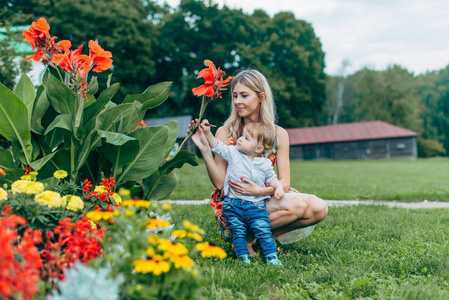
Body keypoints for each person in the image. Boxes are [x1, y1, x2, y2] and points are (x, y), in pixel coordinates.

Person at [189, 68, 328, 256]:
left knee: (320, 209)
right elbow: (220, 184)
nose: (238, 101)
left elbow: (284, 183)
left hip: (264, 198)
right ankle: (243, 240)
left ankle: (261, 239)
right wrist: (206, 149)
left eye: (244, 95)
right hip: (235, 204)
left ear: (261, 96)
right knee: (297, 205)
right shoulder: (226, 132)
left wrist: (260, 191)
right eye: (235, 96)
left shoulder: (279, 134)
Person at [197, 120, 284, 265]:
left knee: (263, 230)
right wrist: (207, 133)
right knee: (238, 232)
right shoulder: (233, 153)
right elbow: (218, 147)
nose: (240, 139)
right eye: (242, 135)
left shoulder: (265, 164)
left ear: (258, 148)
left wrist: (279, 188)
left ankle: (271, 256)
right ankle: (243, 256)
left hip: (256, 206)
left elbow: (272, 178)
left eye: (246, 138)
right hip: (233, 205)